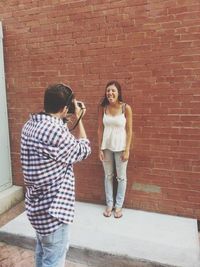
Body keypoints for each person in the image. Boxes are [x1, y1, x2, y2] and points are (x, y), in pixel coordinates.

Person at [20, 84, 91, 267]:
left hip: (37, 209)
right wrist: (80, 118)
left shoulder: (30, 124)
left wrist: (65, 117)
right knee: (53, 261)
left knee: (42, 253)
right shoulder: (56, 131)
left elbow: (55, 136)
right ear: (65, 108)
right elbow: (84, 149)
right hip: (54, 213)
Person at [98, 80, 132, 219]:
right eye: (108, 91)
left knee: (121, 178)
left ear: (118, 93)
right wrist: (99, 148)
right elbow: (100, 129)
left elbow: (129, 131)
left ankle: (118, 206)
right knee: (108, 176)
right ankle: (110, 205)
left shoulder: (126, 108)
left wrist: (127, 149)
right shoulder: (103, 107)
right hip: (106, 147)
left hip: (121, 147)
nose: (110, 93)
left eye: (113, 91)